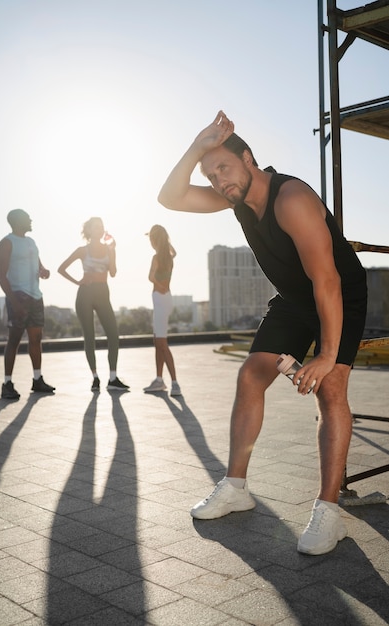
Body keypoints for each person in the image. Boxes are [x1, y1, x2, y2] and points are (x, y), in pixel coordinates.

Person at [157, 111, 367, 555]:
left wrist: (327, 354)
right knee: (251, 374)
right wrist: (197, 147)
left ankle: (328, 513)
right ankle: (236, 487)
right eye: (211, 174)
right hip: (294, 298)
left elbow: (327, 280)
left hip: (338, 294)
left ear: (249, 159)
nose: (218, 180)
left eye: (224, 168)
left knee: (331, 390)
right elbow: (170, 198)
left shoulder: (290, 199)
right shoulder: (236, 198)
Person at [57, 217, 128, 392]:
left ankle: (113, 378)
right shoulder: (82, 250)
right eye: (96, 227)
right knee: (89, 337)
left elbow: (112, 273)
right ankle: (95, 378)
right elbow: (61, 268)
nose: (100, 229)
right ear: (89, 231)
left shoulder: (108, 249)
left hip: (103, 293)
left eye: (102, 226)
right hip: (85, 295)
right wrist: (78, 282)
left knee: (113, 334)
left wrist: (113, 251)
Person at [0, 209, 56, 400]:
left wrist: (44, 270)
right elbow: (1, 275)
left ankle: (37, 380)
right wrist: (14, 301)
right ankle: (7, 384)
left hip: (36, 297)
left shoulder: (31, 242)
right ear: (18, 221)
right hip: (18, 297)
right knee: (14, 340)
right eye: (27, 218)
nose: (31, 220)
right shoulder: (6, 243)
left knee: (36, 339)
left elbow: (38, 264)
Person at [143, 224, 181, 397]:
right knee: (158, 342)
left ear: (154, 240)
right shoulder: (169, 257)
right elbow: (174, 252)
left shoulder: (156, 257)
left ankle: (175, 383)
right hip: (166, 300)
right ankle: (159, 380)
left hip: (160, 298)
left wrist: (159, 286)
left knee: (162, 343)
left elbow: (151, 277)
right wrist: (165, 239)